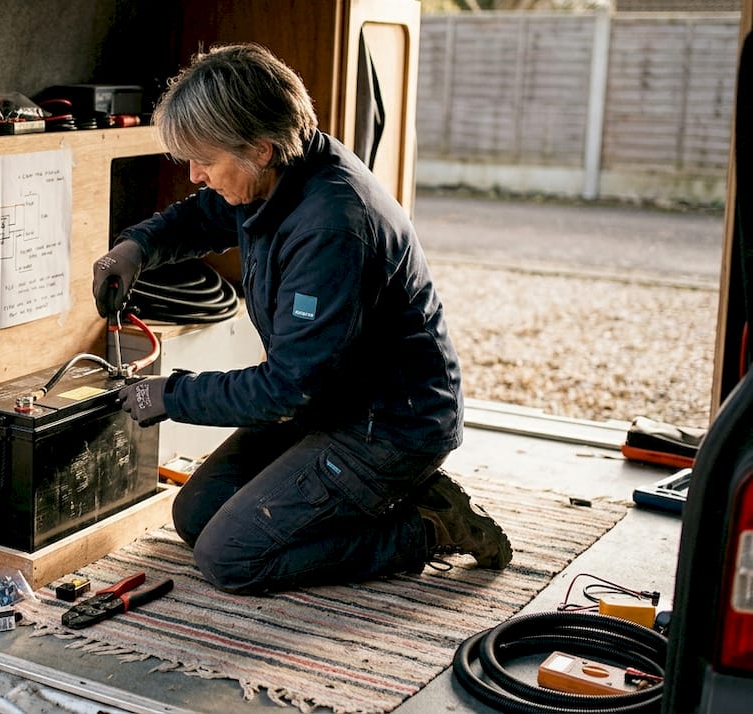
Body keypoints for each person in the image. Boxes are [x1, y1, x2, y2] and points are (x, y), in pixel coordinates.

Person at [91, 43, 512, 594]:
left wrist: (172, 395)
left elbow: (288, 389)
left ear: (261, 149)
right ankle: (378, 502)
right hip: (331, 399)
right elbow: (208, 213)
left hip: (387, 427)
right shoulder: (283, 167)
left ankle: (428, 525)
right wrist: (135, 249)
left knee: (231, 558)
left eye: (206, 161)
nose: (195, 175)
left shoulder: (331, 226)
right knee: (194, 517)